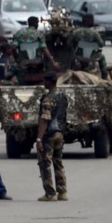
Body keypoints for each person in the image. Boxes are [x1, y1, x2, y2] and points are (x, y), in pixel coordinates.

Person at [36, 71, 68, 202]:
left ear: (49, 82)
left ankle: (50, 193)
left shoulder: (49, 98)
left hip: (49, 134)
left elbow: (45, 119)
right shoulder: (62, 96)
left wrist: (39, 138)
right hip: (60, 132)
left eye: (45, 81)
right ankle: (62, 192)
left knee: (45, 163)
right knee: (58, 162)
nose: (43, 83)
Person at [70, 14, 107, 79]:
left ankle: (71, 74)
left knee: (71, 56)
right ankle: (104, 77)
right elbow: (101, 44)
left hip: (79, 56)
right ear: (89, 21)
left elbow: (69, 43)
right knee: (102, 57)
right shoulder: (94, 33)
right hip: (92, 56)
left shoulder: (76, 32)